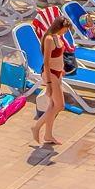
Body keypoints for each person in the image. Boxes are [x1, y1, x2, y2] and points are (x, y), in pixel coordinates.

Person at [31, 15, 69, 148]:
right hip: (50, 74)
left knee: (52, 105)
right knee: (60, 105)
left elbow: (59, 55)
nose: (66, 32)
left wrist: (62, 68)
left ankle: (48, 135)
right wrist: (48, 85)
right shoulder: (48, 39)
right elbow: (46, 62)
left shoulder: (58, 37)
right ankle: (36, 127)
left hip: (57, 73)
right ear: (59, 27)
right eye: (65, 29)